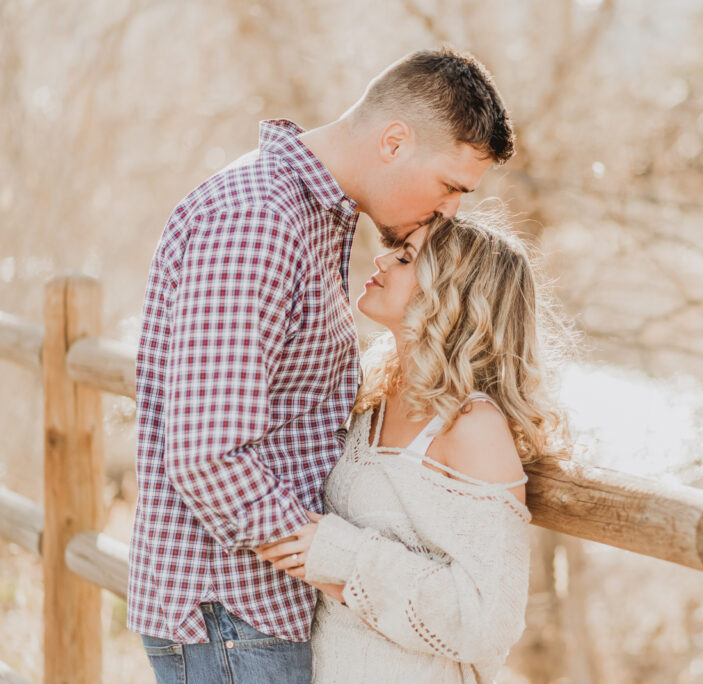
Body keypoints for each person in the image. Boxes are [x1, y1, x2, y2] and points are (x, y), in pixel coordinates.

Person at [127, 48, 515, 684]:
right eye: (450, 185)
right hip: (232, 610)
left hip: (255, 608)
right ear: (395, 141)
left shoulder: (311, 217)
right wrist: (335, 558)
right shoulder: (259, 218)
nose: (450, 211)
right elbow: (206, 454)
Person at [256, 213, 570, 683]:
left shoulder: (471, 425)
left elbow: (488, 621)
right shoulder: (374, 399)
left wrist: (341, 558)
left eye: (405, 258)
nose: (381, 259)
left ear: (451, 295)